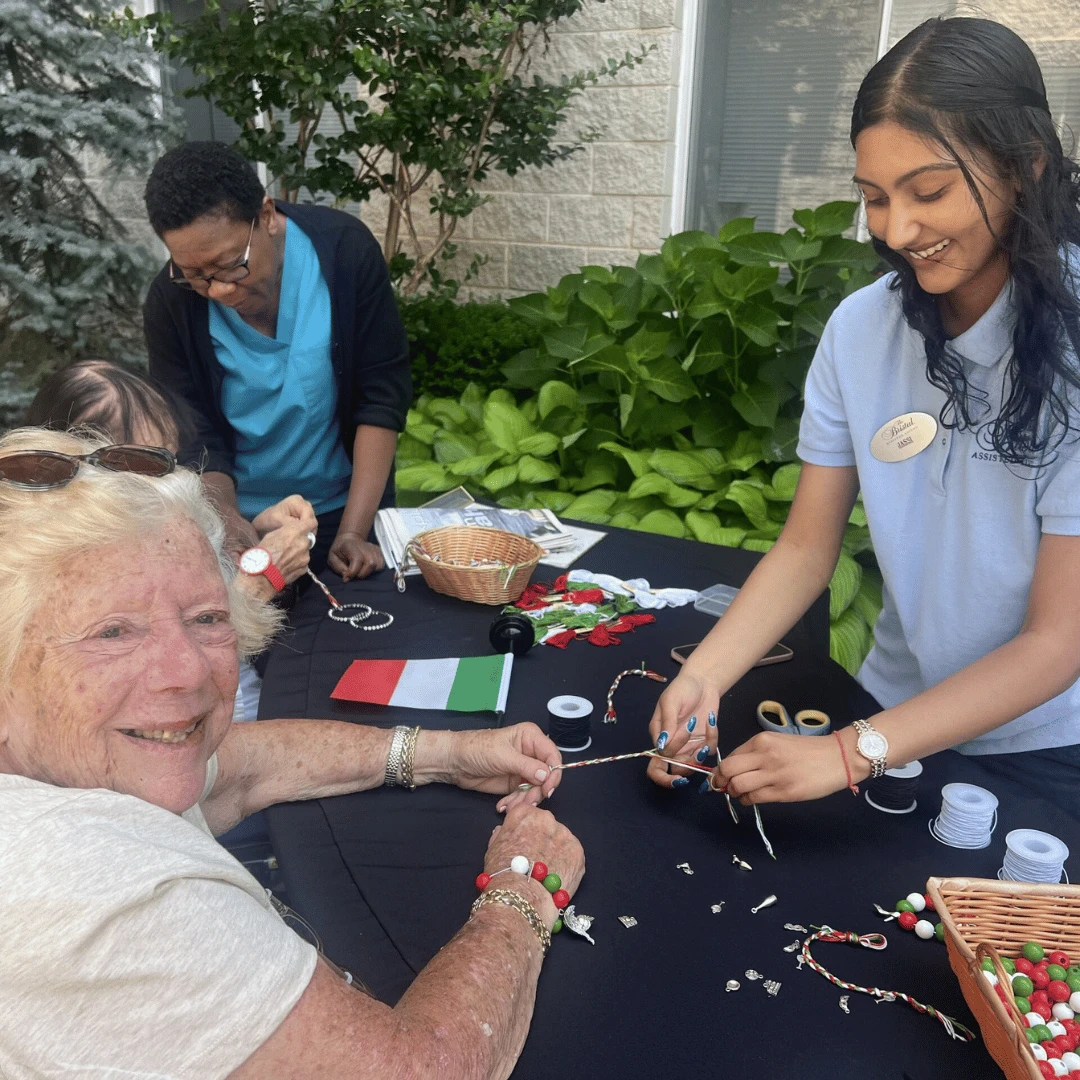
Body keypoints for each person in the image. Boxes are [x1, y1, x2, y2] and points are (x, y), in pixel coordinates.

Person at [0, 426, 583, 1079]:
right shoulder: (106, 898)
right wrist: (525, 885)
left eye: (206, 617)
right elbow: (427, 1070)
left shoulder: (69, 763)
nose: (186, 670)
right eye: (112, 632)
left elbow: (238, 768)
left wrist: (444, 752)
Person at [649, 17, 1080, 813]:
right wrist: (702, 675)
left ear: (1027, 167)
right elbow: (808, 549)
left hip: (1042, 744)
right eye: (875, 198)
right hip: (885, 703)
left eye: (931, 191)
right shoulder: (861, 328)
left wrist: (849, 754)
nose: (897, 231)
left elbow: (1056, 644)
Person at [142, 141, 412, 582]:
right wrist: (236, 531)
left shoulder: (344, 252)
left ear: (266, 216)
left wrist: (354, 534)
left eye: (231, 265)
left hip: (349, 510)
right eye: (193, 274)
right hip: (245, 520)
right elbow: (196, 438)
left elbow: (380, 396)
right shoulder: (170, 303)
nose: (218, 291)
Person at [25, 357, 316, 723]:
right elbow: (186, 661)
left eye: (171, 458)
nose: (173, 479)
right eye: (144, 464)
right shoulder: (68, 561)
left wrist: (259, 530)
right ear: (72, 463)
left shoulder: (138, 520)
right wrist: (264, 577)